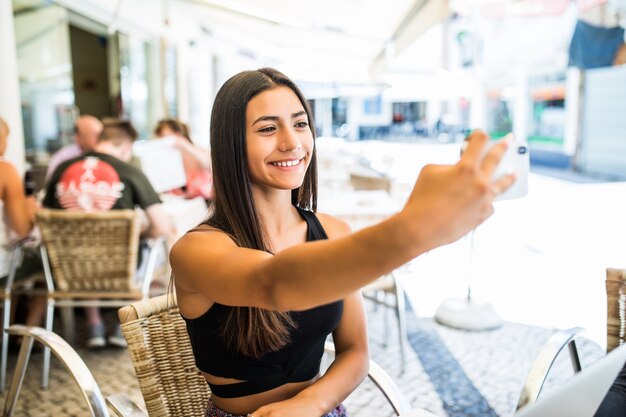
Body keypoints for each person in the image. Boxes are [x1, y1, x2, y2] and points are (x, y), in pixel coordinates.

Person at [170, 68, 514, 417]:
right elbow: (273, 283)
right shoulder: (196, 251)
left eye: (301, 124)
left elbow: (355, 352)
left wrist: (311, 403)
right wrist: (414, 230)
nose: (292, 142)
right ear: (230, 144)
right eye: (268, 128)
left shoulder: (332, 231)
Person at [43, 118, 175, 348]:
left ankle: (94, 325)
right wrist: (141, 234)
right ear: (126, 147)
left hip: (71, 266)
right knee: (147, 246)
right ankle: (123, 322)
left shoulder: (63, 169)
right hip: (121, 266)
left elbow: (44, 214)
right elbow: (161, 226)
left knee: (86, 249)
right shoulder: (129, 171)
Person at [0, 117, 46, 328]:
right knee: (47, 265)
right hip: (3, 268)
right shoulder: (6, 171)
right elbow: (23, 230)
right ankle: (27, 332)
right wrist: (29, 205)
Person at [154, 119, 213, 201]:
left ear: (178, 135)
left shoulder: (199, 152)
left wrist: (185, 145)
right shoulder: (168, 162)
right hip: (182, 205)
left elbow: (211, 166)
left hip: (207, 203)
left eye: (164, 137)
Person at [45, 115, 102, 180]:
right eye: (94, 135)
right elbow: (51, 184)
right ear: (78, 137)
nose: (100, 140)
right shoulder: (63, 158)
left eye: (101, 135)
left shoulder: (108, 154)